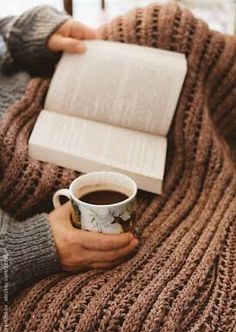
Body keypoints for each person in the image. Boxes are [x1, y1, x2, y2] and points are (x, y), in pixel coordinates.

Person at [0, 5, 138, 298]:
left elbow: (5, 34)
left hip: (55, 83)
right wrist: (22, 248)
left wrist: (31, 33)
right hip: (35, 191)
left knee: (161, 28)